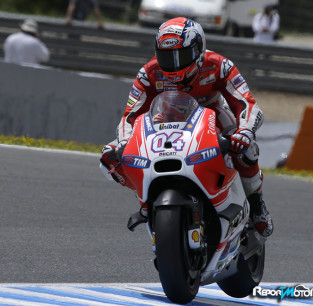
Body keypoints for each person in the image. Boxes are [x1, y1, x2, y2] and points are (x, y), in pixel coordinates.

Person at [100, 17, 273, 237]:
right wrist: (124, 144)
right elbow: (130, 116)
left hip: (214, 117)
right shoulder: (148, 74)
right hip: (165, 119)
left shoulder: (220, 65)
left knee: (247, 149)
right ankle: (147, 197)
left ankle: (256, 205)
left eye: (180, 56)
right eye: (166, 57)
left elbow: (246, 102)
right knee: (109, 158)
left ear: (198, 49)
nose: (173, 64)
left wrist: (245, 131)